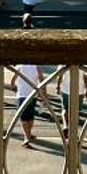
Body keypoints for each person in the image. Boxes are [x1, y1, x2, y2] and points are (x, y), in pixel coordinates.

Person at [12, 17, 56, 147]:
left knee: (23, 118)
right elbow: (42, 79)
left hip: (22, 95)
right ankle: (29, 134)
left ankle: (26, 137)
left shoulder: (19, 66)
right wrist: (44, 94)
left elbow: (12, 81)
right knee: (30, 116)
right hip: (32, 94)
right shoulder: (36, 66)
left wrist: (14, 86)